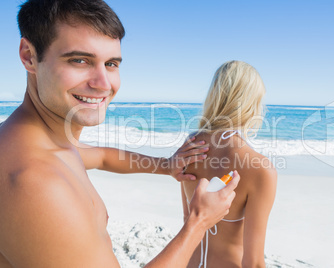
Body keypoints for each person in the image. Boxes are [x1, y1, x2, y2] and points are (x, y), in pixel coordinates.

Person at [0, 1, 240, 267]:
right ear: (29, 56)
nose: (104, 84)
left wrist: (165, 166)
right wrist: (199, 222)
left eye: (111, 63)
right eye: (79, 60)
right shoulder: (35, 183)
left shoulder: (40, 142)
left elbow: (101, 156)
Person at [181, 61, 277, 267]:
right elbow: (254, 262)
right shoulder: (260, 168)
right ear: (253, 103)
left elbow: (187, 223)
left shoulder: (190, 146)